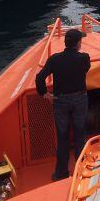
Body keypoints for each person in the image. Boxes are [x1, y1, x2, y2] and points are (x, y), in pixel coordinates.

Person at [35, 28, 90, 181]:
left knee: (63, 137)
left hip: (60, 101)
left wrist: (45, 94)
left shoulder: (54, 60)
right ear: (78, 43)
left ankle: (61, 173)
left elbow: (39, 78)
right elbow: (86, 69)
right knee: (80, 135)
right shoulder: (84, 58)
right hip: (79, 100)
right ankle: (81, 170)